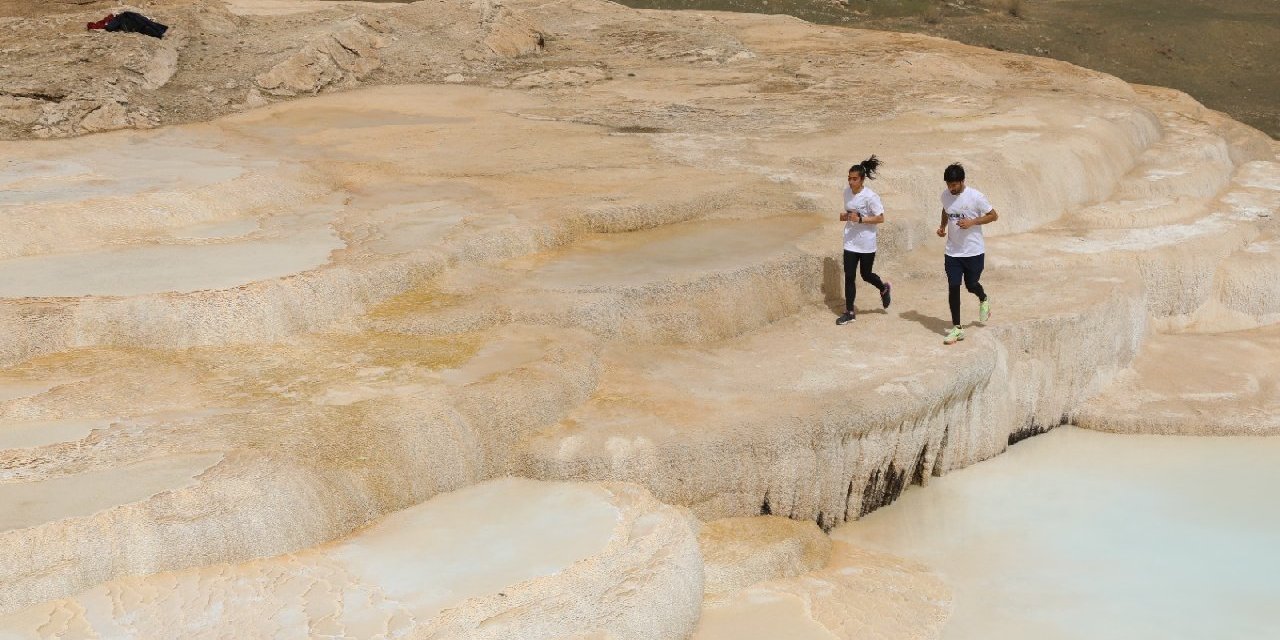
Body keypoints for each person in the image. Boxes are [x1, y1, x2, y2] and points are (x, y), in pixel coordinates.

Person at [936, 163, 998, 344]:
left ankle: (983, 298)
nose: (951, 188)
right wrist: (942, 227)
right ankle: (957, 328)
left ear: (962, 181)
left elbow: (993, 215)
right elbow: (946, 210)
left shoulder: (976, 197)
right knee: (953, 286)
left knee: (971, 285)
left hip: (973, 251)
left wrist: (972, 222)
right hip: (952, 252)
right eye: (948, 185)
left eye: (954, 185)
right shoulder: (945, 195)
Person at [836, 155, 892, 325]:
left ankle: (883, 288)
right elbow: (849, 213)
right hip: (850, 241)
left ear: (862, 179)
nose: (851, 182)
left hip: (867, 243)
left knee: (866, 275)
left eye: (854, 179)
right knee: (850, 276)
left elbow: (880, 218)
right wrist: (845, 216)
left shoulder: (870, 197)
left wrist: (861, 220)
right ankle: (850, 311)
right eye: (849, 178)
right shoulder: (846, 193)